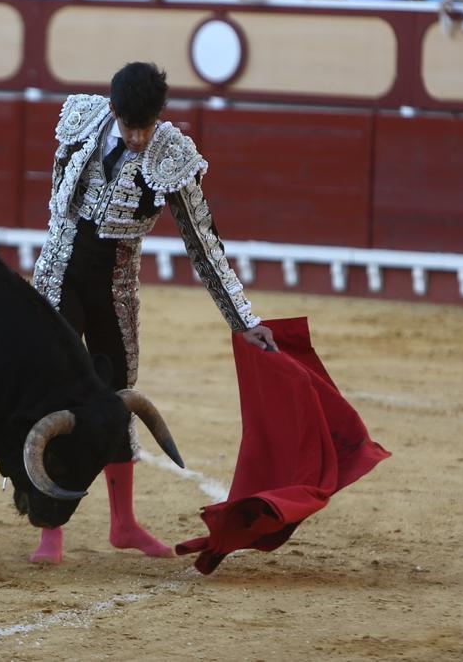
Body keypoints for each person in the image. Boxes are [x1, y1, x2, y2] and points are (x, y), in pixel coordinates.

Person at [27, 61, 276, 565]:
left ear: (161, 114)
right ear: (113, 110)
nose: (139, 138)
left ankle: (123, 524)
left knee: (118, 397)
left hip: (114, 288)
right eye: (130, 126)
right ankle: (50, 531)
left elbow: (202, 242)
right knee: (52, 392)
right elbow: (60, 198)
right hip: (58, 272)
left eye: (148, 125)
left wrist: (243, 320)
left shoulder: (172, 154)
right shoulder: (81, 119)